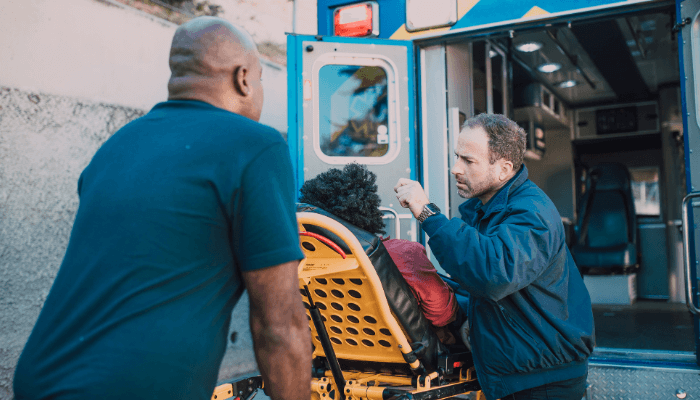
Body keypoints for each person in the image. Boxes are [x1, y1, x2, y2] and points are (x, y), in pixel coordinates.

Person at [13, 17, 310, 400]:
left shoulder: (117, 146)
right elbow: (279, 326)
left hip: (41, 377)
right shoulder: (254, 146)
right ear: (244, 79)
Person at [394, 113, 594, 400]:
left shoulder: (531, 213)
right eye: (456, 157)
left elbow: (492, 274)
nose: (455, 168)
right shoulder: (484, 210)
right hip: (514, 374)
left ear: (504, 169)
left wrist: (427, 213)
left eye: (468, 161)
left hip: (543, 382)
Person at [298, 164, 460, 341]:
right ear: (369, 209)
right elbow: (442, 314)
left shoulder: (307, 263)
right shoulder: (403, 253)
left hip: (338, 352)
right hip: (406, 356)